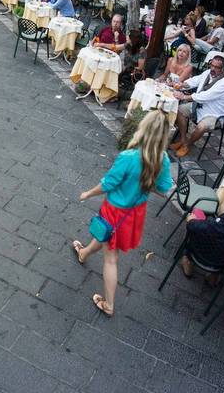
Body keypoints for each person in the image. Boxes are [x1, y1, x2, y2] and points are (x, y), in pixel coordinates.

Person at [72, 111, 173, 316]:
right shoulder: (163, 160)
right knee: (107, 238)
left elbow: (108, 184)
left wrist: (88, 193)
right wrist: (147, 183)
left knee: (111, 258)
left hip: (115, 211)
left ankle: (109, 304)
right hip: (134, 213)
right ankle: (83, 253)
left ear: (143, 129)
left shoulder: (128, 157)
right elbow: (164, 188)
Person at [169, 54, 224, 158]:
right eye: (211, 65)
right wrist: (182, 84)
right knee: (179, 110)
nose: (212, 68)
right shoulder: (208, 73)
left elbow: (205, 96)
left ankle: (187, 145)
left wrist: (184, 97)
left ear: (222, 69)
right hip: (199, 105)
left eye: (216, 67)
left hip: (214, 113)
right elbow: (195, 81)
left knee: (201, 127)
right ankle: (183, 140)